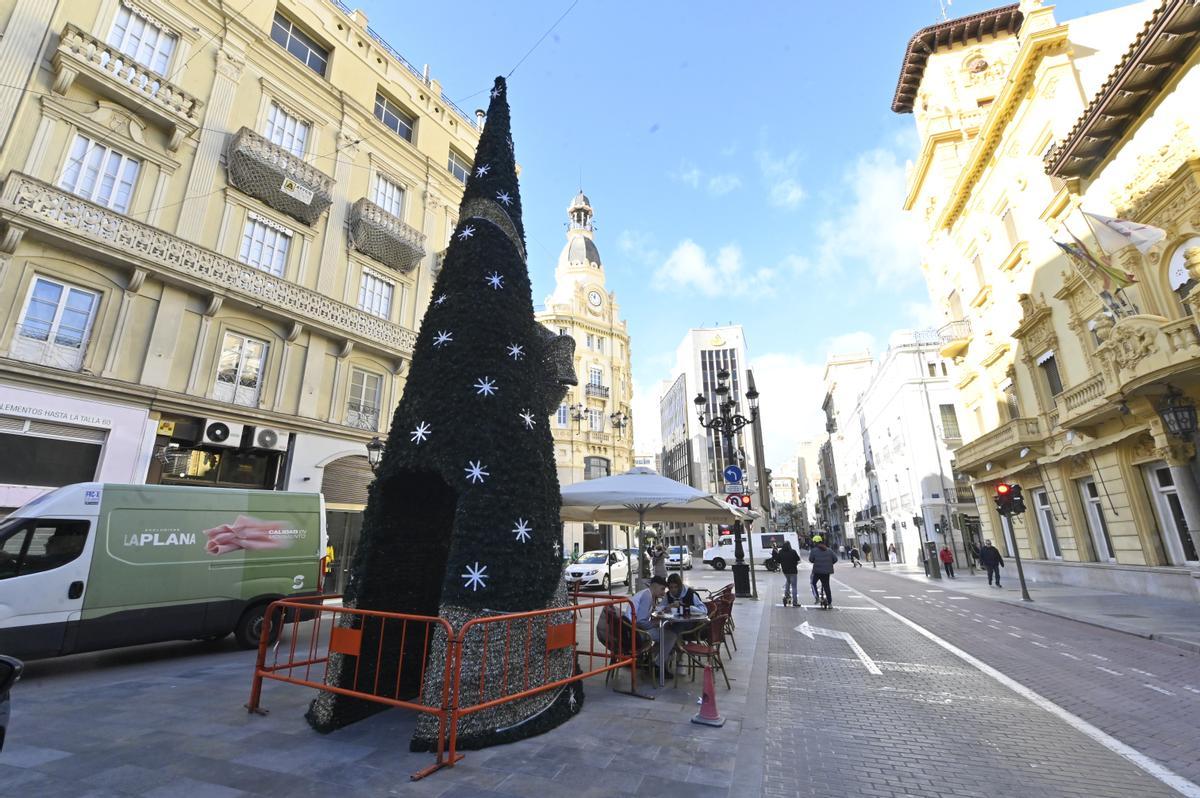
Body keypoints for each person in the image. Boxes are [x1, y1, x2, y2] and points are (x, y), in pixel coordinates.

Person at [627, 576, 674, 677]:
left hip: (630, 630)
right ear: (654, 586)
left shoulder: (646, 593)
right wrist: (655, 623)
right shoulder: (647, 596)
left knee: (665, 635)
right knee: (671, 636)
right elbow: (641, 621)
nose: (663, 593)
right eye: (662, 589)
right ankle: (657, 666)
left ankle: (652, 661)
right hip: (636, 633)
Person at [808, 537, 838, 608]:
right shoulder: (829, 550)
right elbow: (835, 559)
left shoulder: (814, 550)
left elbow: (811, 560)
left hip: (817, 571)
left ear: (815, 542)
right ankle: (830, 603)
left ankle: (817, 597)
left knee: (813, 583)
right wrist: (829, 564)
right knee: (827, 586)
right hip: (827, 572)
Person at [775, 540, 802, 606]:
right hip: (793, 571)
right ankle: (795, 602)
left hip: (785, 571)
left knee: (788, 581)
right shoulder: (793, 551)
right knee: (794, 586)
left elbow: (778, 560)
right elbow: (798, 559)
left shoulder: (781, 552)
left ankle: (786, 595)